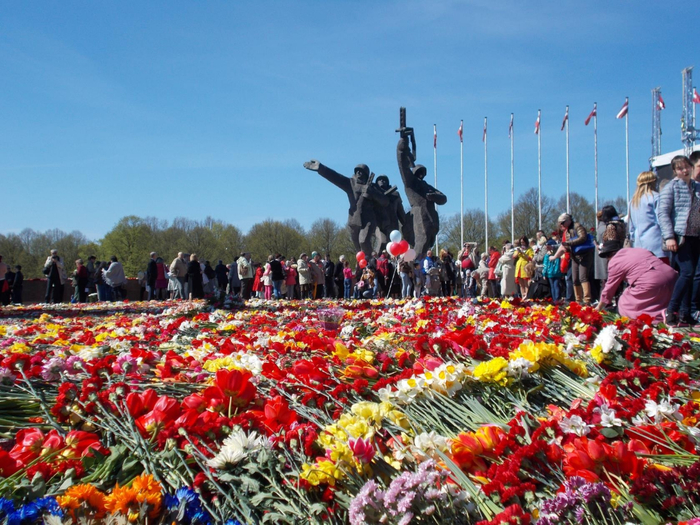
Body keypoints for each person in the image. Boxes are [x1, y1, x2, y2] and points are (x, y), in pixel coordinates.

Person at [657, 155, 700, 325]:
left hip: (695, 235)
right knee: (687, 272)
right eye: (680, 168)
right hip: (680, 236)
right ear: (675, 171)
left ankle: (685, 313)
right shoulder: (671, 187)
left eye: (686, 167)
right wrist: (669, 237)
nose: (684, 171)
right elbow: (663, 213)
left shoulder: (696, 187)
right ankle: (670, 309)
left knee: (692, 275)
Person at [596, 241, 678, 324]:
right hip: (672, 277)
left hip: (651, 281)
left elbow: (610, 288)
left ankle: (654, 318)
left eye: (607, 256)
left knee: (625, 301)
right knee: (659, 296)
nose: (607, 259)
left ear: (613, 253)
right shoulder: (638, 250)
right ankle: (667, 313)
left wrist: (599, 307)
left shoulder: (615, 262)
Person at [629, 171, 669, 263]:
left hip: (638, 245)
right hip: (656, 244)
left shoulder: (632, 202)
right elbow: (661, 220)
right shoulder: (656, 197)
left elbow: (631, 227)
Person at [556, 213, 595, 305]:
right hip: (574, 256)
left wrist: (569, 243)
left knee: (583, 277)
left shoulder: (577, 226)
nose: (561, 225)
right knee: (575, 279)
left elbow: (583, 237)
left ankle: (587, 300)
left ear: (568, 220)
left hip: (584, 255)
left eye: (562, 222)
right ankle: (578, 300)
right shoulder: (567, 230)